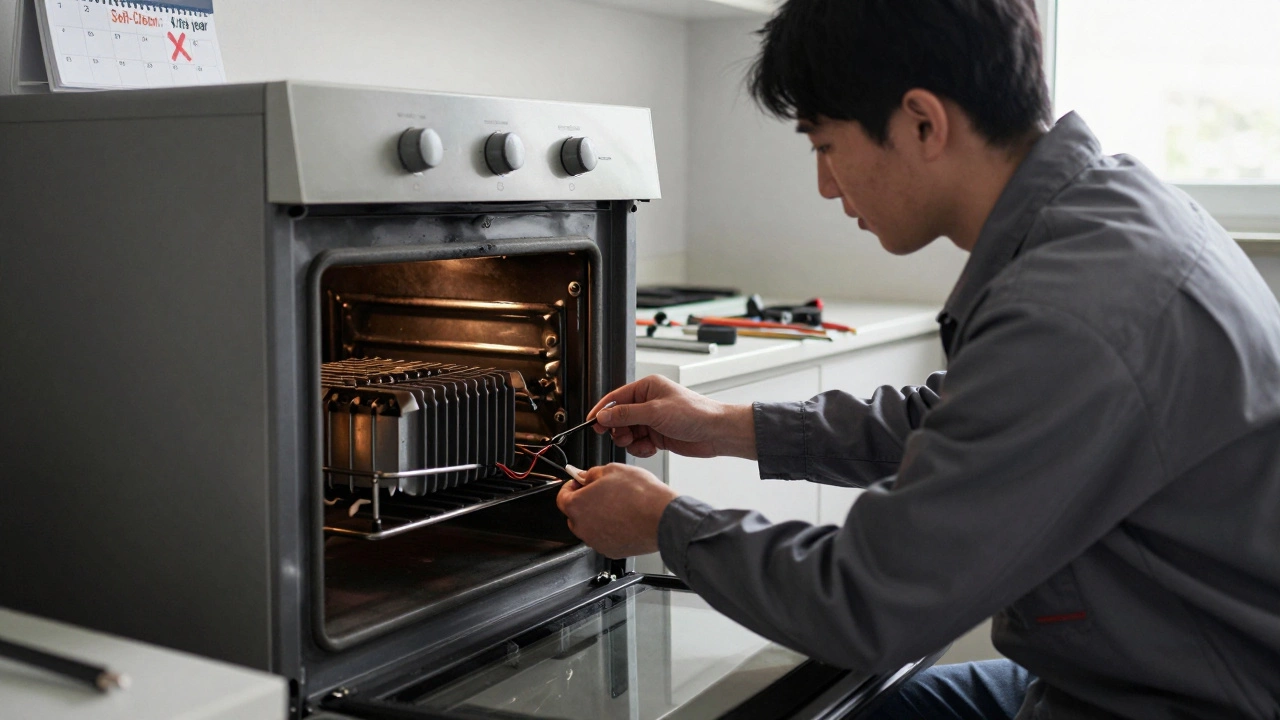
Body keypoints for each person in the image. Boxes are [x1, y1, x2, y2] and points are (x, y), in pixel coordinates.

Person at [555, 0, 1280, 717]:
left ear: (922, 123)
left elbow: (870, 603)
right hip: (1116, 674)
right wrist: (724, 423)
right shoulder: (1103, 216)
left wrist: (666, 523)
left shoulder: (1076, 304)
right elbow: (963, 421)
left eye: (824, 145)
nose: (826, 185)